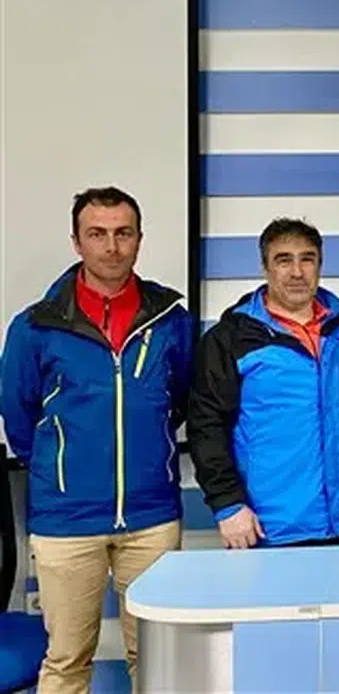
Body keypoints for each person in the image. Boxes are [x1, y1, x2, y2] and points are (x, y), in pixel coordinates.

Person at [0, 187, 192, 693]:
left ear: (139, 239)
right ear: (76, 241)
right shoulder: (35, 327)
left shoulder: (170, 321)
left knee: (158, 660)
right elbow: (19, 415)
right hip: (66, 521)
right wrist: (58, 469)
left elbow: (180, 399)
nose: (111, 246)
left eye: (123, 233)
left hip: (151, 518)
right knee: (66, 660)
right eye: (97, 234)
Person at [187, 218, 339, 549]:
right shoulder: (231, 339)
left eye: (307, 259)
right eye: (284, 260)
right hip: (267, 526)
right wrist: (227, 504)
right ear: (265, 267)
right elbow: (206, 426)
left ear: (320, 265)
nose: (297, 272)